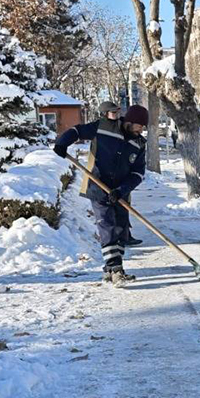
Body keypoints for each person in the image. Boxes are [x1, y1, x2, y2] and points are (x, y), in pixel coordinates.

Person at [55, 101, 149, 284]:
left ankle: (110, 268)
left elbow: (138, 173)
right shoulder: (104, 127)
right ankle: (116, 270)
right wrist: (62, 143)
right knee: (108, 228)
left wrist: (122, 190)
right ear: (130, 121)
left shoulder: (139, 143)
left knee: (121, 230)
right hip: (98, 187)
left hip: (121, 192)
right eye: (140, 125)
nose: (142, 130)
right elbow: (77, 131)